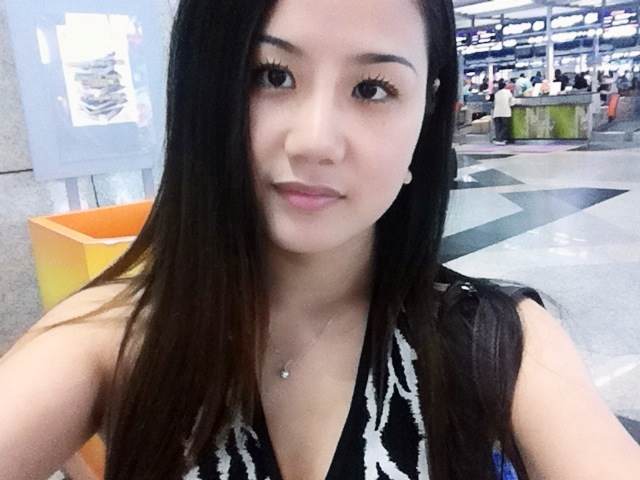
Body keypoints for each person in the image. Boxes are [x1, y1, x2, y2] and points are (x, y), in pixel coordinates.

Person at [2, 1, 640, 480]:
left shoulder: (497, 343)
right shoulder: (117, 338)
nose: (315, 141)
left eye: (372, 89)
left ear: (425, 115)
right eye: (271, 75)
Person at [492, 79, 514, 145]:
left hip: (496, 113)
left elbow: (494, 103)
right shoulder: (508, 92)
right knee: (505, 126)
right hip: (505, 112)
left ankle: (498, 139)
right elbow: (512, 102)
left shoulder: (497, 93)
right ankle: (500, 139)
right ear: (505, 86)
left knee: (498, 127)